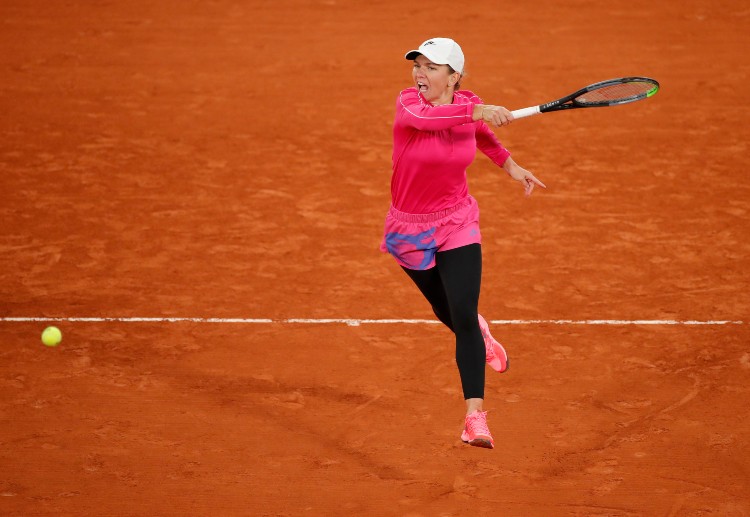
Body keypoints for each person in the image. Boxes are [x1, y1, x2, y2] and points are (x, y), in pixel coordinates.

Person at [380, 37, 546, 449]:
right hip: (409, 230)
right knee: (446, 310)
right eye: (418, 65)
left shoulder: (469, 107)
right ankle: (481, 335)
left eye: (431, 67)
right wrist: (478, 111)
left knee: (464, 313)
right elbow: (432, 121)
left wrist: (512, 166)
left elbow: (483, 136)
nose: (420, 73)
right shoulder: (409, 104)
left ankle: (475, 418)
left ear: (454, 77)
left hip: (457, 220)